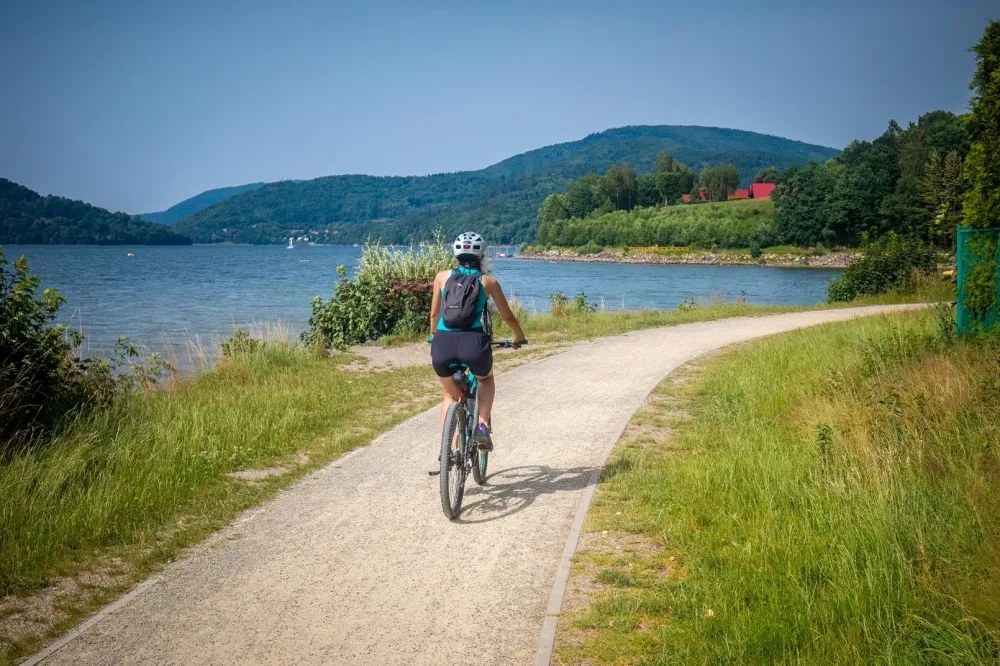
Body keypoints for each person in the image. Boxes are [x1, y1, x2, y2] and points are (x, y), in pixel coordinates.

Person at [429, 232, 527, 450]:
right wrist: (518, 336)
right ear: (481, 256)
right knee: (485, 379)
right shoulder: (488, 281)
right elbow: (507, 316)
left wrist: (434, 335)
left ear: (456, 253)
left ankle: (447, 448)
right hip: (473, 344)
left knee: (449, 395)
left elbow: (434, 316)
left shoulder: (441, 277)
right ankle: (482, 427)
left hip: (443, 344)